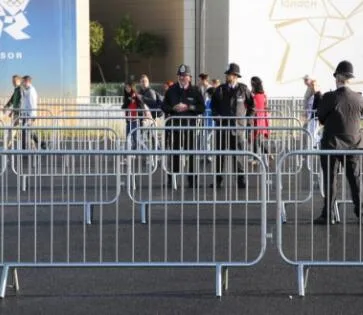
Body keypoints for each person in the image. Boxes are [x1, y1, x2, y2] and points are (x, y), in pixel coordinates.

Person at [314, 60, 363, 225]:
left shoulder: (330, 97)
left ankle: (328, 214)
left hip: (331, 145)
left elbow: (320, 118)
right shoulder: (358, 98)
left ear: (338, 78)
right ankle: (361, 212)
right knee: (355, 180)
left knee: (331, 180)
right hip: (354, 145)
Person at [210, 63, 255, 189]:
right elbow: (213, 106)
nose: (227, 76)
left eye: (229, 74)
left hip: (238, 128)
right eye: (227, 74)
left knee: (240, 156)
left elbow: (252, 106)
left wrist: (248, 120)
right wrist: (216, 116)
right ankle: (218, 180)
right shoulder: (220, 89)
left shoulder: (243, 89)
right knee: (220, 155)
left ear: (235, 76)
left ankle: (241, 180)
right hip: (223, 128)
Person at [162, 64, 205, 188]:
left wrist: (188, 107)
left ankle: (192, 180)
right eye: (180, 76)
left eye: (184, 76)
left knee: (191, 154)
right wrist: (173, 108)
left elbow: (201, 108)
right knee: (174, 153)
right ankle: (173, 179)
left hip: (190, 127)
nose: (182, 78)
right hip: (174, 127)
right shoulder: (171, 90)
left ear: (189, 78)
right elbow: (164, 106)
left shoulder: (196, 91)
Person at [21, 76, 46, 149]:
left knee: (28, 131)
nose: (22, 83)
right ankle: (40, 144)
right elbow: (25, 97)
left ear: (27, 81)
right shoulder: (28, 89)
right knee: (28, 131)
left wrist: (32, 117)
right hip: (26, 114)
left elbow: (33, 104)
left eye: (23, 82)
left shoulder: (31, 90)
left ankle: (40, 144)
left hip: (29, 115)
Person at [250, 76, 270, 164]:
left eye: (252, 84)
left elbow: (253, 107)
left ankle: (255, 158)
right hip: (261, 119)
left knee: (255, 139)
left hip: (256, 119)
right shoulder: (263, 95)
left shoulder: (256, 96)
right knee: (257, 139)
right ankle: (267, 153)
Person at [122, 81, 145, 150]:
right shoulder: (126, 97)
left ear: (132, 88)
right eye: (126, 88)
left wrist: (141, 118)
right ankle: (130, 153)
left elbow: (142, 106)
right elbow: (123, 107)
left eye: (128, 87)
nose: (127, 89)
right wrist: (129, 101)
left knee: (135, 138)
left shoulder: (137, 96)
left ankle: (136, 152)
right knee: (128, 137)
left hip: (136, 120)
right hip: (129, 120)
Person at [3, 75, 22, 148]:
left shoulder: (21, 89)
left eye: (14, 81)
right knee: (14, 130)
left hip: (20, 113)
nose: (12, 83)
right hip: (17, 113)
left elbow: (21, 102)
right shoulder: (16, 89)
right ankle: (7, 145)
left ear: (18, 81)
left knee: (13, 130)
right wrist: (6, 107)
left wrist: (13, 110)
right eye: (12, 81)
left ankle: (7, 146)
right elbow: (12, 100)